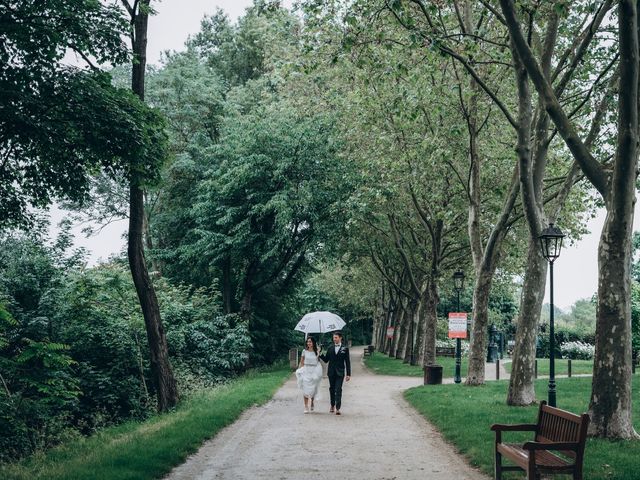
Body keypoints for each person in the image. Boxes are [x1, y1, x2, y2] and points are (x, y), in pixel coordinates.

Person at [319, 331, 351, 415]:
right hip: (331, 372)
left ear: (340, 338)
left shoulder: (345, 348)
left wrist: (348, 374)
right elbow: (326, 360)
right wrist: (320, 353)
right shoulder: (330, 348)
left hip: (340, 372)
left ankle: (338, 408)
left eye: (336, 337)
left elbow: (347, 362)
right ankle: (332, 405)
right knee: (332, 389)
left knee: (338, 389)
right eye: (333, 338)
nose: (334, 339)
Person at [295, 336, 323, 413]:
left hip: (314, 371)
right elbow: (302, 361)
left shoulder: (316, 351)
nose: (308, 343)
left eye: (310, 341)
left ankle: (312, 402)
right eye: (307, 342)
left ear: (313, 342)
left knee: (313, 389)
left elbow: (318, 361)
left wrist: (318, 352)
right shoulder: (304, 351)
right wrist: (300, 370)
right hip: (306, 370)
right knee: (305, 389)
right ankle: (306, 406)